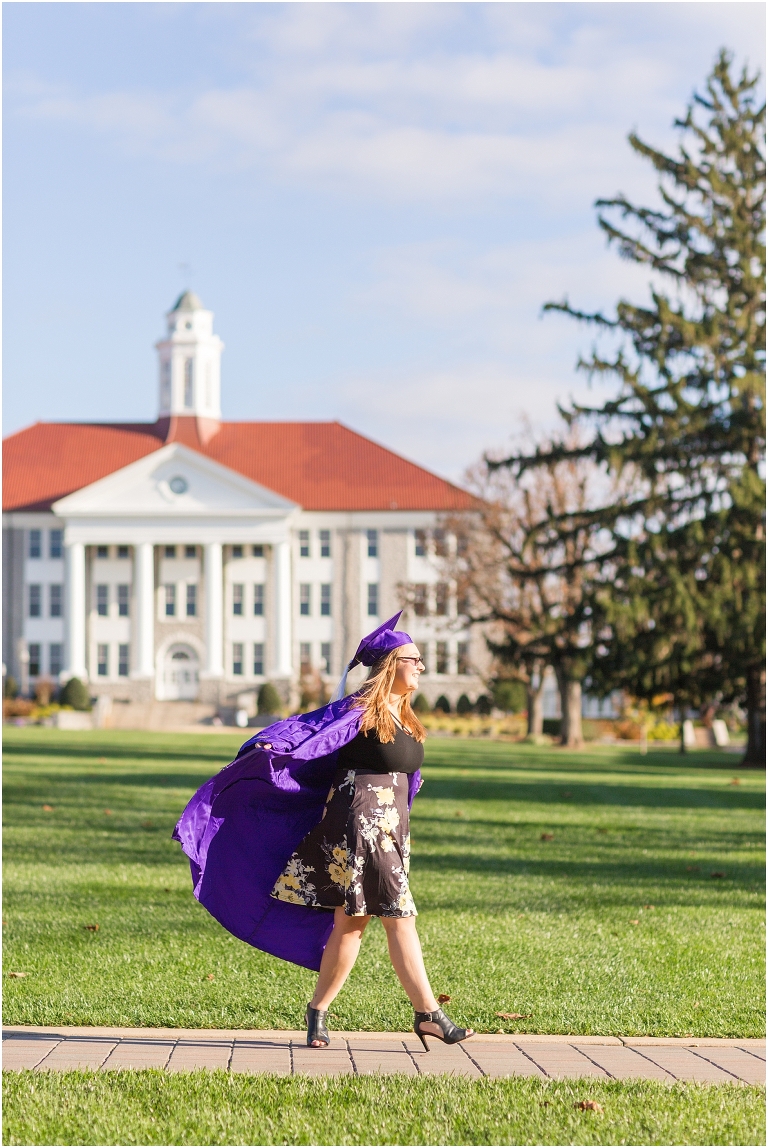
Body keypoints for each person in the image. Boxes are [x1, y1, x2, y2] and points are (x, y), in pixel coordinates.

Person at [173, 612, 474, 1052]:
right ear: (392, 663)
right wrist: (267, 751)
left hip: (389, 830)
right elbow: (307, 733)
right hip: (359, 824)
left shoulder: (405, 718)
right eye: (415, 659)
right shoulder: (358, 712)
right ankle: (429, 1015)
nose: (422, 667)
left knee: (350, 925)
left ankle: (317, 1012)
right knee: (400, 917)